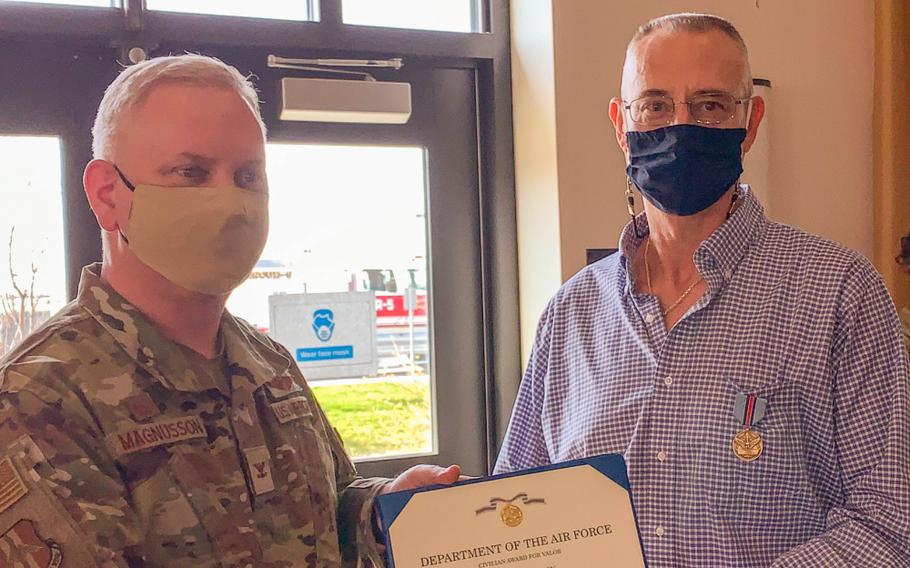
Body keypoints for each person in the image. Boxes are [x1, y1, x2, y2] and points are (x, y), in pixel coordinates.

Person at [0, 54, 458, 567]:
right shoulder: (38, 397)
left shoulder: (269, 363)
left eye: (247, 175)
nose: (230, 201)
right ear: (108, 195)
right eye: (191, 172)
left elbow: (323, 516)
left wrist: (385, 512)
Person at [495, 13, 909, 567]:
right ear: (622, 124)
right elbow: (518, 511)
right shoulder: (570, 315)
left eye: (711, 105)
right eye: (656, 105)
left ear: (751, 120)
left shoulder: (839, 293)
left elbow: (887, 522)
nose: (679, 126)